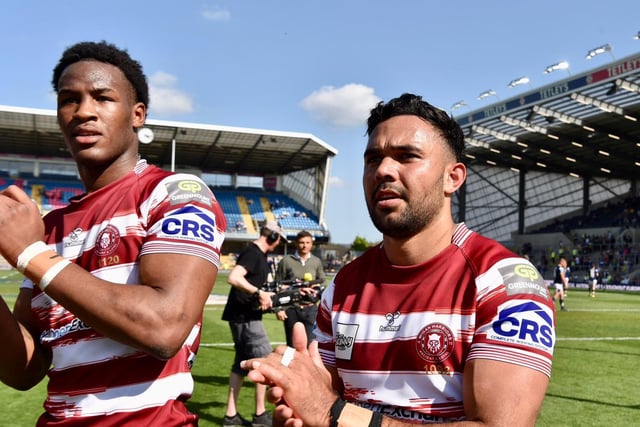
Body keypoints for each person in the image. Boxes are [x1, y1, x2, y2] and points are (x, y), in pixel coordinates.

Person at [242, 93, 556, 426]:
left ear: (454, 177)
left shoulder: (505, 284)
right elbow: (320, 398)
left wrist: (329, 412)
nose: (383, 170)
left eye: (407, 156)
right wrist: (297, 406)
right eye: (373, 159)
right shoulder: (344, 286)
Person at [0, 41, 227, 426]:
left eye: (102, 98)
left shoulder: (173, 194)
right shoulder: (49, 227)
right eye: (69, 99)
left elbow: (164, 327)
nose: (84, 111)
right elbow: (24, 372)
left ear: (137, 114)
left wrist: (31, 254)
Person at [221, 220, 287, 427]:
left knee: (240, 365)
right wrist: (259, 292)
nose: (278, 245)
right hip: (245, 319)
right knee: (265, 363)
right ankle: (260, 414)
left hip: (245, 316)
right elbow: (234, 277)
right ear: (273, 237)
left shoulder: (258, 254)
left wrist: (266, 300)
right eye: (279, 240)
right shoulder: (253, 252)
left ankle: (231, 417)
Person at [275, 230, 326, 346]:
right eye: (302, 242)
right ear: (296, 243)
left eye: (308, 242)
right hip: (291, 308)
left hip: (310, 309)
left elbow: (322, 282)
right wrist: (279, 309)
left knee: (312, 345)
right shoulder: (286, 261)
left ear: (312, 244)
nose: (305, 245)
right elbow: (277, 285)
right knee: (292, 345)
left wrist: (316, 288)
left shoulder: (316, 261)